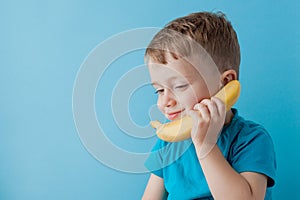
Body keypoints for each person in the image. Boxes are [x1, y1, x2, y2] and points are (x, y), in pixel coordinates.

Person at [142, 11, 276, 200]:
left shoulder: (251, 139)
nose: (165, 102)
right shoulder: (167, 143)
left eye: (179, 86)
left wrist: (206, 145)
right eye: (159, 90)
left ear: (226, 82)